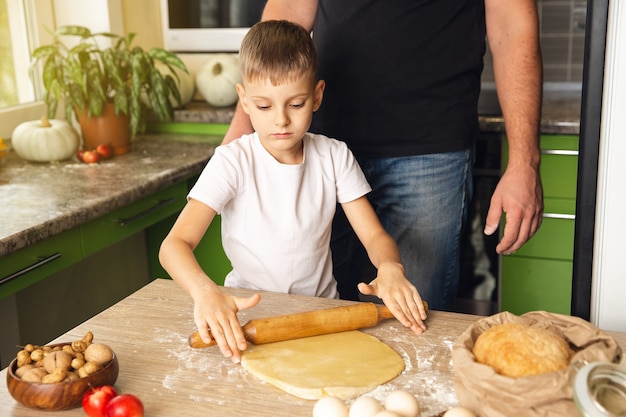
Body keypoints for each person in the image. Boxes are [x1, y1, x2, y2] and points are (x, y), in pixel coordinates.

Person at [223, 0, 544, 311]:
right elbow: (288, 13)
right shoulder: (291, 152)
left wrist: (524, 162)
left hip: (430, 146)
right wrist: (242, 135)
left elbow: (511, 25)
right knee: (316, 315)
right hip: (320, 146)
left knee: (414, 314)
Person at [159, 20, 427, 364]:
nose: (281, 120)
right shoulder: (232, 162)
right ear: (244, 100)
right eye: (264, 106)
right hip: (250, 319)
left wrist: (390, 267)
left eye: (296, 104)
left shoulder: (334, 156)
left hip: (320, 315)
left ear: (316, 96)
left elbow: (374, 236)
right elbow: (173, 246)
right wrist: (205, 291)